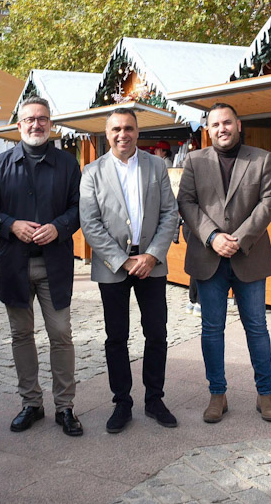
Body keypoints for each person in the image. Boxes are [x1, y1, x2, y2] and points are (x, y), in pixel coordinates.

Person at [0, 97, 84, 437]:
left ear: (50, 124)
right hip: (14, 266)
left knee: (61, 335)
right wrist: (10, 224)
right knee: (21, 335)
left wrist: (60, 227)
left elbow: (79, 208)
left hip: (54, 265)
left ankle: (65, 407)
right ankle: (31, 403)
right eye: (29, 119)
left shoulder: (68, 164)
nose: (36, 124)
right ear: (19, 124)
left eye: (42, 119)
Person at [178, 103, 271, 424]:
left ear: (238, 124)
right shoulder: (194, 160)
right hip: (209, 259)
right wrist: (212, 237)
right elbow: (186, 202)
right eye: (215, 124)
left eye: (227, 123)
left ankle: (266, 394)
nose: (221, 129)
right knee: (212, 330)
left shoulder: (261, 158)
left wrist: (238, 238)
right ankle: (217, 394)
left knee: (257, 328)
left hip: (249, 256)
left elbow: (268, 203)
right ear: (207, 130)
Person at [80, 108, 180, 433]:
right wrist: (122, 260)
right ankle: (122, 402)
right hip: (114, 267)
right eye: (116, 129)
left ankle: (154, 399)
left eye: (129, 128)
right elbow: (90, 224)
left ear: (138, 132)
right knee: (116, 337)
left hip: (151, 263)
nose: (123, 134)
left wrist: (152, 256)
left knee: (157, 332)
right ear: (107, 134)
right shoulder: (92, 172)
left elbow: (169, 213)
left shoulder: (156, 166)